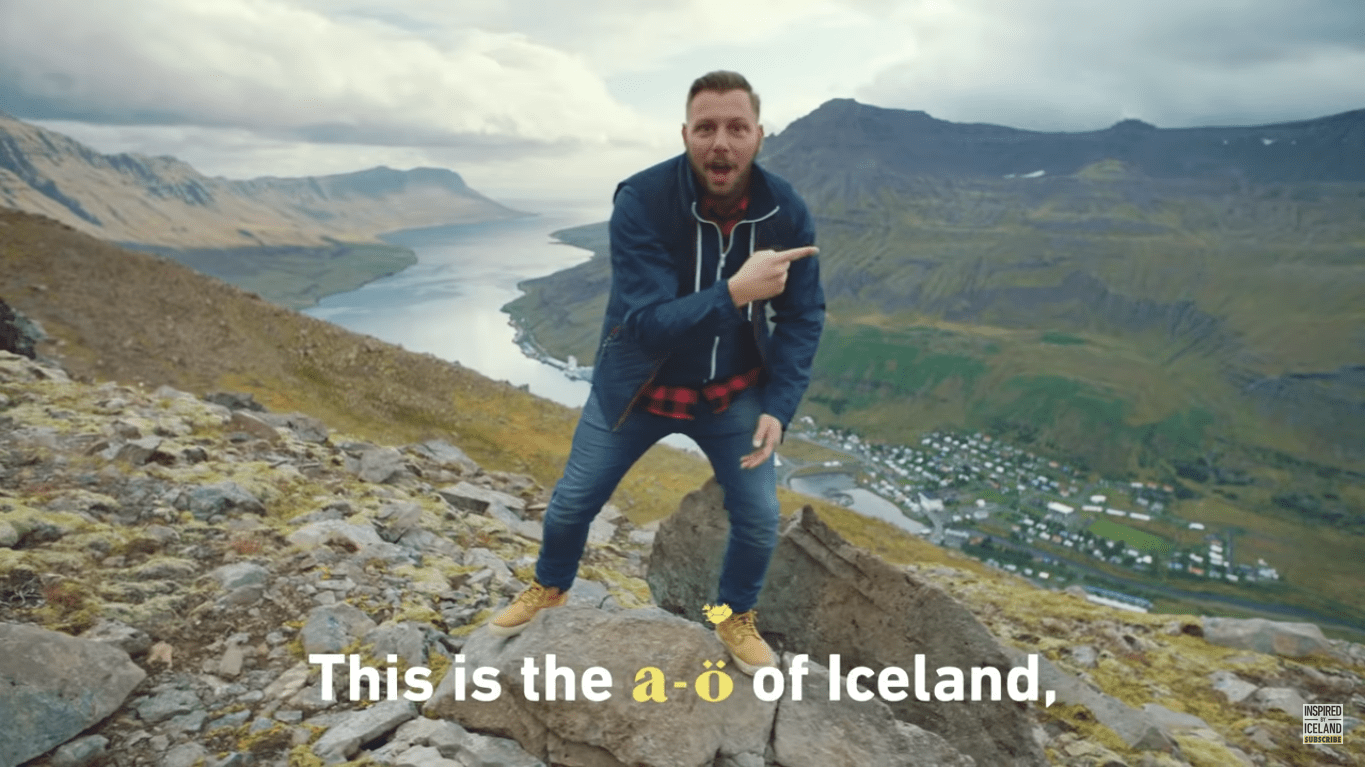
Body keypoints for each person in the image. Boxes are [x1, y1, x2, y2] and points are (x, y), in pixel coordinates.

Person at [487, 70, 825, 675]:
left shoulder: (784, 210)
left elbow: (803, 315)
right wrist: (736, 292)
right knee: (570, 506)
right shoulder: (643, 199)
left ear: (758, 136)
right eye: (706, 128)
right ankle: (551, 585)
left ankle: (732, 615)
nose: (721, 142)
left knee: (759, 518)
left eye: (736, 127)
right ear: (686, 134)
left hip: (733, 394)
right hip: (637, 388)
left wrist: (780, 403)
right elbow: (644, 323)